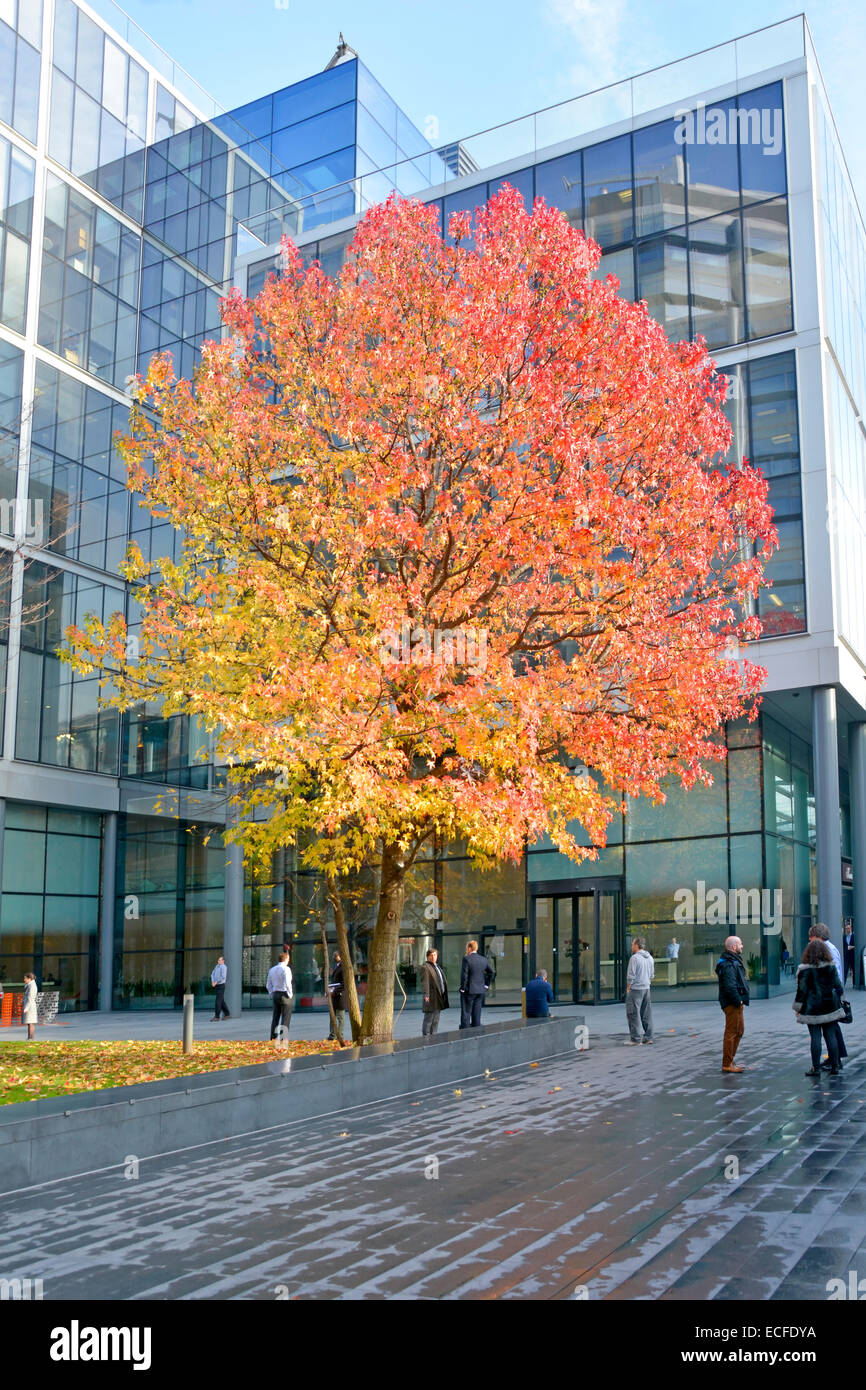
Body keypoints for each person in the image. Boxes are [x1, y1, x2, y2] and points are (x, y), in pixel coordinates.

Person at [794, 939, 845, 1076]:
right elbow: (838, 987)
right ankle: (835, 1066)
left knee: (815, 1037)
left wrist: (798, 1008)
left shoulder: (804, 969)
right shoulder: (831, 966)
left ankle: (816, 1068)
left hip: (812, 1008)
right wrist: (840, 999)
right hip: (829, 1005)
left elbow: (801, 992)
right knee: (831, 1036)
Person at [810, 923, 848, 1072]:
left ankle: (825, 1063)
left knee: (819, 1033)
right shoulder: (832, 949)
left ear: (818, 937)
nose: (809, 940)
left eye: (811, 937)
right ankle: (836, 1062)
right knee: (831, 1029)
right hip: (831, 995)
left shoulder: (822, 951)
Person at [716, 935, 749, 1073]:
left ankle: (730, 1061)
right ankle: (727, 1063)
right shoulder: (729, 963)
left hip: (735, 1002)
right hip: (732, 1003)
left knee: (739, 1030)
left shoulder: (731, 961)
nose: (742, 946)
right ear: (734, 947)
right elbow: (730, 986)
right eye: (740, 944)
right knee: (732, 1032)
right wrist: (738, 1000)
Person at [624, 937, 654, 1045]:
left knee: (633, 1013)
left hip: (636, 989)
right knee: (646, 1013)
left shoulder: (634, 958)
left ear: (637, 945)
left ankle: (636, 1039)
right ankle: (648, 1037)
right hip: (646, 988)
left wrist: (628, 987)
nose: (631, 947)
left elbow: (631, 975)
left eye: (632, 944)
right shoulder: (650, 957)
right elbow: (652, 975)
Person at [459, 940, 492, 1029]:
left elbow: (464, 975)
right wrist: (486, 985)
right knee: (477, 1013)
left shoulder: (466, 959)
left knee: (466, 1013)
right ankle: (476, 1032)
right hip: (480, 990)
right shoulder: (483, 959)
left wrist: (462, 988)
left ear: (469, 948)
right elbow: (491, 972)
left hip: (469, 990)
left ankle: (465, 1033)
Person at [419, 947, 449, 1037]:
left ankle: (433, 1036)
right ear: (428, 956)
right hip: (431, 997)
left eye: (435, 955)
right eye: (431, 955)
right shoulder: (425, 967)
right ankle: (426, 1037)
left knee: (436, 1019)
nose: (433, 957)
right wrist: (426, 995)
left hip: (439, 996)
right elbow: (425, 983)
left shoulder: (437, 966)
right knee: (429, 1019)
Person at [266, 950, 294, 1041]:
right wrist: (290, 994)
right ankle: (283, 1039)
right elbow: (288, 983)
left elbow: (268, 984)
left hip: (276, 994)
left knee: (275, 1017)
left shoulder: (272, 969)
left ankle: (273, 1038)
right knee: (285, 1018)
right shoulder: (286, 969)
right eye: (288, 958)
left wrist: (271, 993)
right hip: (284, 994)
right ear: (286, 959)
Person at [327, 951, 347, 1041]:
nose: (334, 957)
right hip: (334, 995)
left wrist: (335, 990)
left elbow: (344, 983)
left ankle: (340, 1035)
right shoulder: (337, 966)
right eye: (333, 955)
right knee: (333, 1016)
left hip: (340, 996)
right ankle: (332, 1035)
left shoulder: (343, 967)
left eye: (336, 956)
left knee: (340, 1017)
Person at [210, 956, 230, 1021]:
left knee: (218, 1001)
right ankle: (227, 1014)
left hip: (221, 986)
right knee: (221, 1001)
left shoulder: (224, 967)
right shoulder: (217, 966)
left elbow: (223, 977)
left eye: (220, 960)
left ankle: (217, 1017)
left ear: (223, 961)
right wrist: (213, 981)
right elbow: (212, 974)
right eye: (218, 960)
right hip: (216, 985)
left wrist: (216, 982)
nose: (218, 961)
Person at [22, 971, 38, 1041]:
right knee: (29, 1022)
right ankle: (30, 1037)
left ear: (29, 979)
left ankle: (30, 1038)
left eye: (25, 978)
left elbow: (30, 998)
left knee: (30, 1022)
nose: (24, 980)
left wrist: (26, 1008)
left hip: (30, 1006)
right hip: (30, 1006)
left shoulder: (32, 986)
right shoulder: (30, 985)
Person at [843, 921, 856, 988]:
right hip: (846, 956)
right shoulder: (844, 937)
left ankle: (854, 984)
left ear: (851, 928)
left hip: (853, 956)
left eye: (848, 928)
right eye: (846, 928)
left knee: (854, 970)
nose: (847, 929)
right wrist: (847, 948)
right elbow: (843, 946)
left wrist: (852, 947)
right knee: (845, 970)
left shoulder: (854, 936)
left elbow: (856, 945)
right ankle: (843, 984)